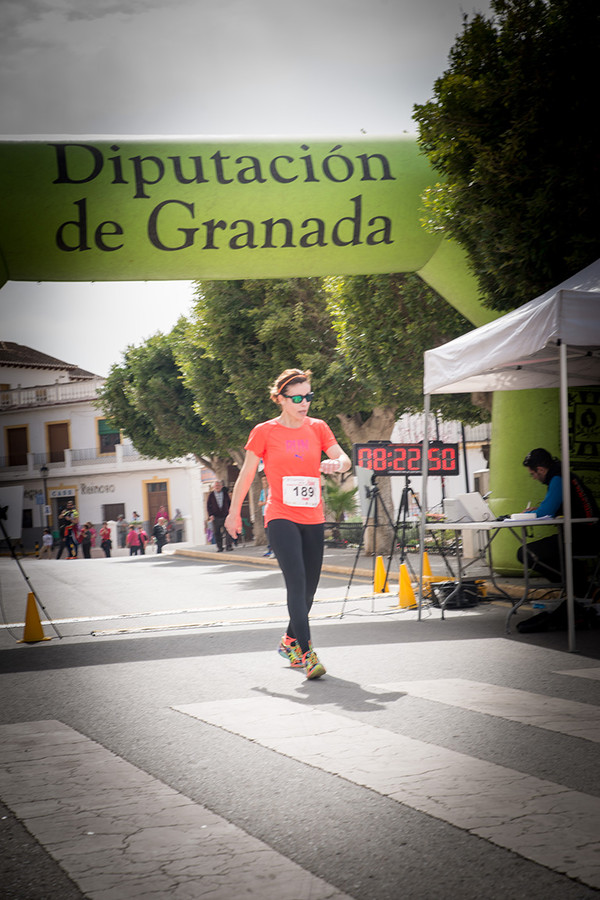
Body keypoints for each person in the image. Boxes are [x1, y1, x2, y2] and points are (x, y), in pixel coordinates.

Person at [225, 368, 350, 679]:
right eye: (297, 398)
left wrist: (337, 463)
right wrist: (233, 512)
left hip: (313, 516)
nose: (304, 402)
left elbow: (344, 458)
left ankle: (289, 641)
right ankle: (307, 654)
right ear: (280, 399)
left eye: (308, 396)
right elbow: (247, 473)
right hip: (280, 515)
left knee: (309, 590)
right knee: (296, 582)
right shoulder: (264, 432)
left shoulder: (318, 427)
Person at [517, 447, 600, 599]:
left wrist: (521, 515)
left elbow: (545, 512)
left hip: (583, 537)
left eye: (533, 474)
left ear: (541, 470)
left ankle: (582, 587)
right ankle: (579, 583)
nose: (534, 478)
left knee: (525, 553)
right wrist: (541, 509)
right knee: (542, 550)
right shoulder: (564, 474)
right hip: (588, 533)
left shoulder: (557, 478)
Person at [207, 480, 233, 552]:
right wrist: (210, 515)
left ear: (221, 486)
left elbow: (229, 503)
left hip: (225, 515)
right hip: (216, 516)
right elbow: (208, 506)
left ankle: (228, 546)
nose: (217, 487)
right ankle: (220, 547)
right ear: (214, 487)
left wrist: (230, 513)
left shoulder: (225, 494)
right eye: (216, 486)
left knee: (228, 531)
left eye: (218, 485)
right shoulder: (211, 495)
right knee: (217, 532)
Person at [259, 474, 273, 557]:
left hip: (271, 514)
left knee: (271, 532)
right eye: (263, 480)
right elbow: (260, 503)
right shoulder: (262, 491)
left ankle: (273, 549)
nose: (264, 482)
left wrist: (266, 502)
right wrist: (265, 502)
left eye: (265, 480)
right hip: (264, 514)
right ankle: (270, 549)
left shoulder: (271, 490)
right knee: (267, 532)